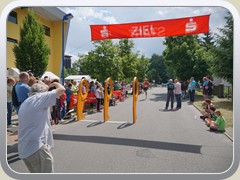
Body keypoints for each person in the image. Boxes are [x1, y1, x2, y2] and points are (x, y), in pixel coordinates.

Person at [18, 81, 65, 173]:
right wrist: (55, 83)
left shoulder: (28, 101)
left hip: (26, 147)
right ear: (43, 92)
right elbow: (62, 89)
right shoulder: (39, 97)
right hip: (35, 146)